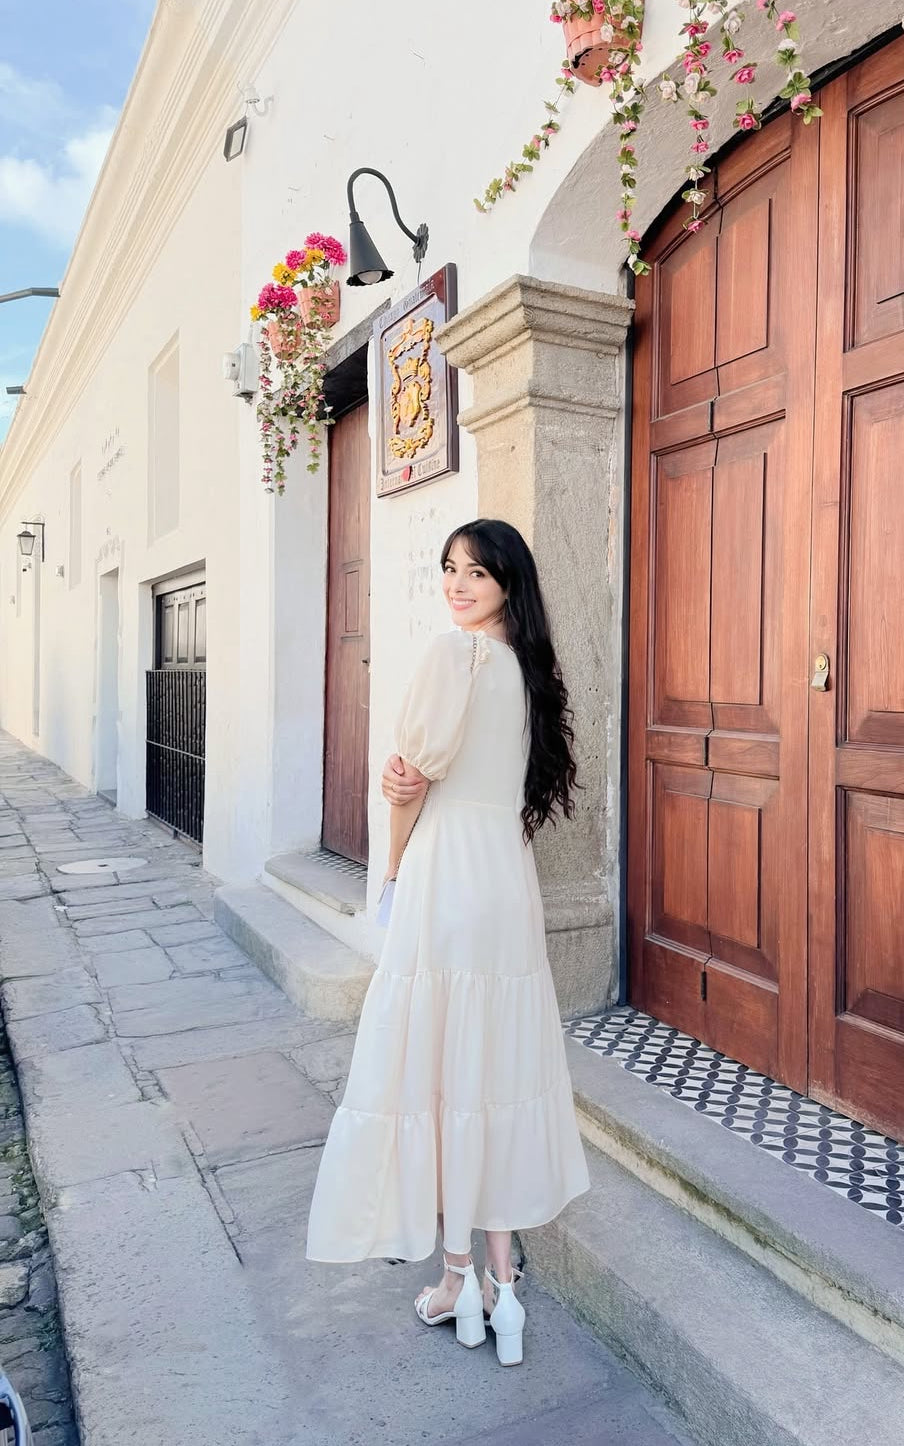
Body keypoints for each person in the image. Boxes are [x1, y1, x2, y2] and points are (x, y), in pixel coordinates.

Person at [306, 518, 590, 1367]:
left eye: (475, 571)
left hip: (448, 878)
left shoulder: (453, 657)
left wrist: (392, 871)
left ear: (509, 579)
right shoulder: (530, 671)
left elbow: (409, 778)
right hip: (505, 879)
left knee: (439, 1070)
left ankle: (457, 1276)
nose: (457, 584)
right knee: (492, 1070)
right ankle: (501, 1287)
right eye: (448, 569)